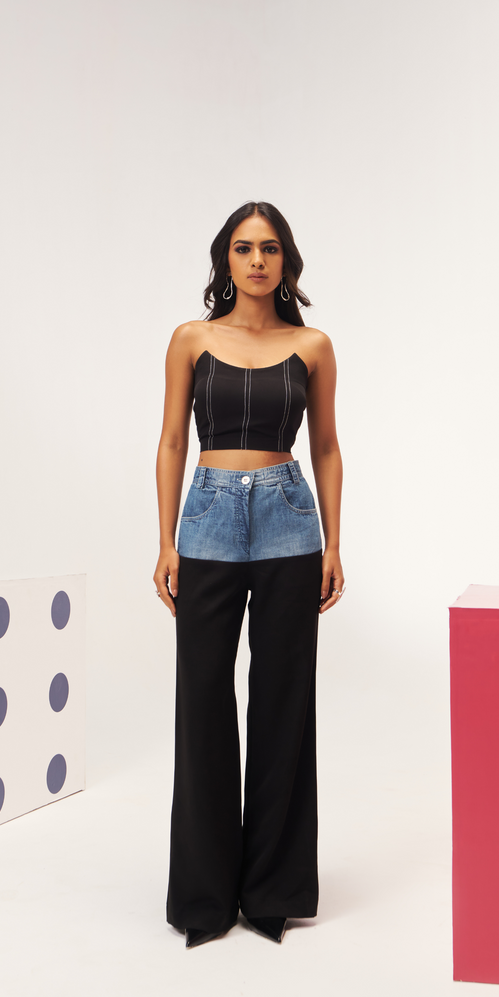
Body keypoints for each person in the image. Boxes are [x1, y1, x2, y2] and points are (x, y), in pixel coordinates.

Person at [153, 200, 344, 949]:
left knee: (282, 700)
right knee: (202, 698)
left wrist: (333, 543)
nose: (257, 260)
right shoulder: (191, 339)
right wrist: (165, 541)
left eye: (269, 248)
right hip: (206, 518)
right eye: (242, 248)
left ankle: (273, 892)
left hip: (289, 518)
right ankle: (204, 897)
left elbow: (325, 446)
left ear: (285, 260)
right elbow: (173, 439)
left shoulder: (313, 345)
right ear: (225, 260)